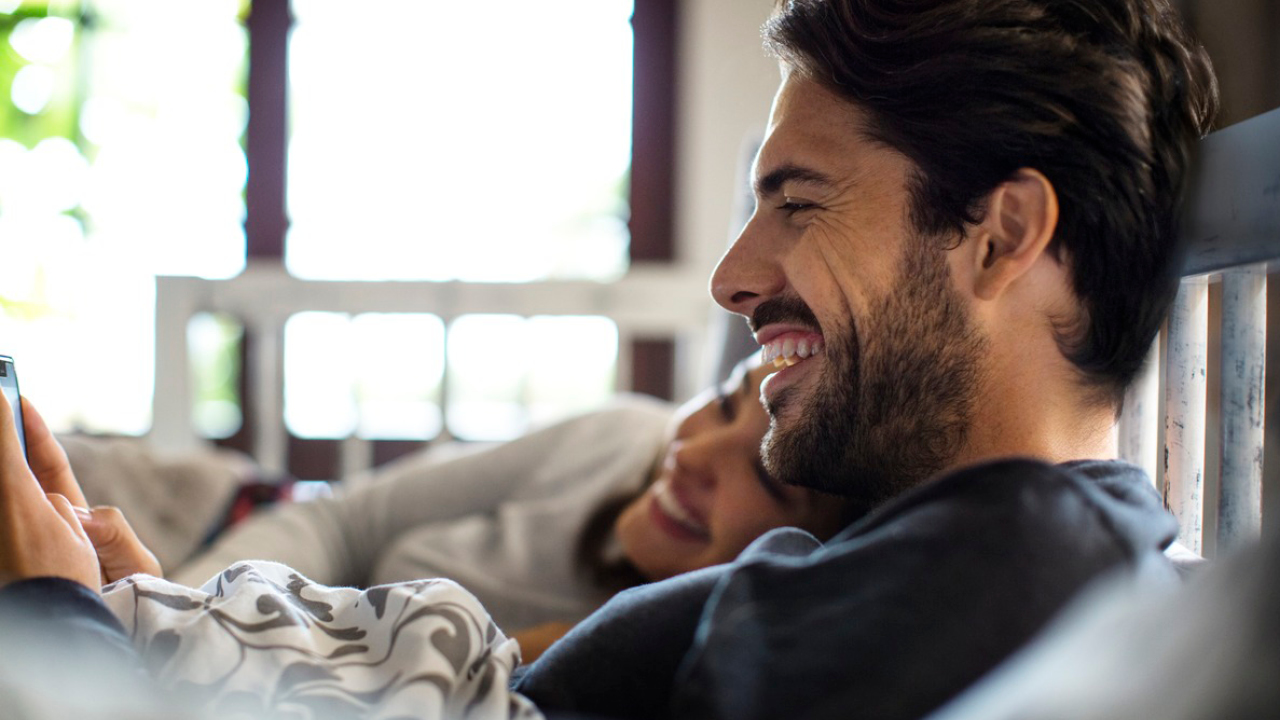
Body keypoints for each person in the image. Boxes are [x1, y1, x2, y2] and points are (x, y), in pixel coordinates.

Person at [0, 0, 1222, 718]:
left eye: (798, 201)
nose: (732, 274)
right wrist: (170, 618)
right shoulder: (963, 550)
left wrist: (57, 628)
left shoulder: (1016, 567)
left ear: (1000, 234)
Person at [164, 358, 852, 658]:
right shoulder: (622, 437)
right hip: (231, 528)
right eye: (726, 402)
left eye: (763, 474)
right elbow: (340, 519)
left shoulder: (629, 659)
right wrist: (179, 613)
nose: (695, 454)